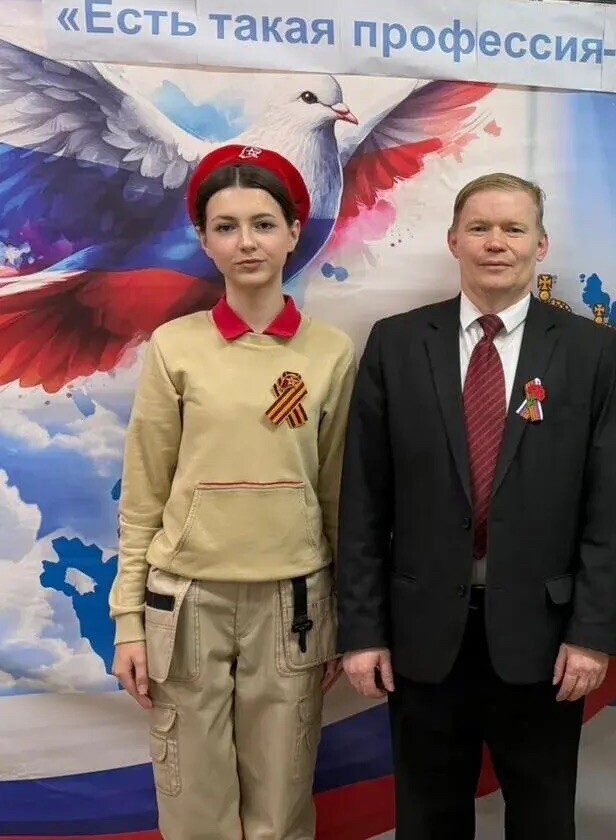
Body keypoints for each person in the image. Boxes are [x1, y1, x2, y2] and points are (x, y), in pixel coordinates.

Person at [338, 172, 616, 840]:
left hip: (545, 639)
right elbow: (363, 498)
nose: (495, 242)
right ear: (453, 240)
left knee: (542, 822)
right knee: (428, 822)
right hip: (422, 635)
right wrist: (362, 631)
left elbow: (610, 504)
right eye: (479, 227)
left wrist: (592, 632)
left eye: (513, 228)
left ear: (541, 244)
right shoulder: (396, 343)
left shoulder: (589, 351)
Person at [108, 144, 355, 839]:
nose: (247, 241)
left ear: (293, 233)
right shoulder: (174, 347)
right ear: (205, 240)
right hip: (186, 604)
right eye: (226, 226)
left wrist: (343, 617)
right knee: (195, 810)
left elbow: (338, 496)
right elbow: (144, 495)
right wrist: (129, 622)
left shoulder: (331, 352)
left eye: (263, 223)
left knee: (282, 806)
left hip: (294, 604)